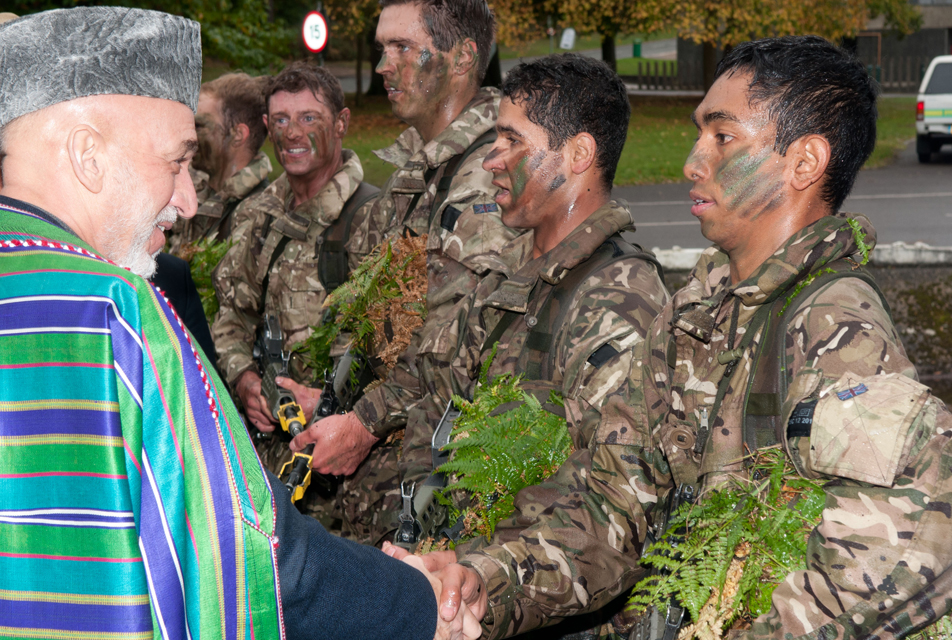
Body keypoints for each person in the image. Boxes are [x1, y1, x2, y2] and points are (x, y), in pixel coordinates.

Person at [398, 36, 952, 640]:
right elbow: (614, 506)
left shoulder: (836, 332)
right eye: (698, 134)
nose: (692, 162)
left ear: (804, 162)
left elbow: (910, 551)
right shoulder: (696, 316)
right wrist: (488, 582)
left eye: (722, 137)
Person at [0, 8, 480, 639]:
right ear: (88, 155)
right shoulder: (117, 316)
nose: (189, 199)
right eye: (175, 161)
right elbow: (254, 550)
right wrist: (418, 603)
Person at [309, 54, 669, 546]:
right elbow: (434, 378)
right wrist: (360, 423)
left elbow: (608, 510)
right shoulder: (516, 272)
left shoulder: (619, 301)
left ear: (578, 154)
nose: (491, 158)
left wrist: (476, 582)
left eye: (512, 140)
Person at [292, 0, 525, 543]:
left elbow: (451, 346)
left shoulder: (484, 177)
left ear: (463, 57)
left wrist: (362, 421)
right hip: (392, 480)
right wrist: (332, 399)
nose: (383, 66)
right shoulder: (421, 171)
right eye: (381, 49)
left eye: (401, 47)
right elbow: (383, 328)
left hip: (447, 489)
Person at [211, 62, 380, 480]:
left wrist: (331, 402)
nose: (291, 133)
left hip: (350, 472)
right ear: (267, 125)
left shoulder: (376, 219)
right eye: (281, 120)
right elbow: (232, 314)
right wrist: (245, 380)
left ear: (341, 124)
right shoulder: (259, 215)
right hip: (267, 463)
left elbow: (400, 358)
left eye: (309, 118)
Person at [168, 71, 272, 254]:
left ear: (237, 135)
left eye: (199, 126)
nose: (189, 135)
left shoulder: (260, 213)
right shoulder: (195, 187)